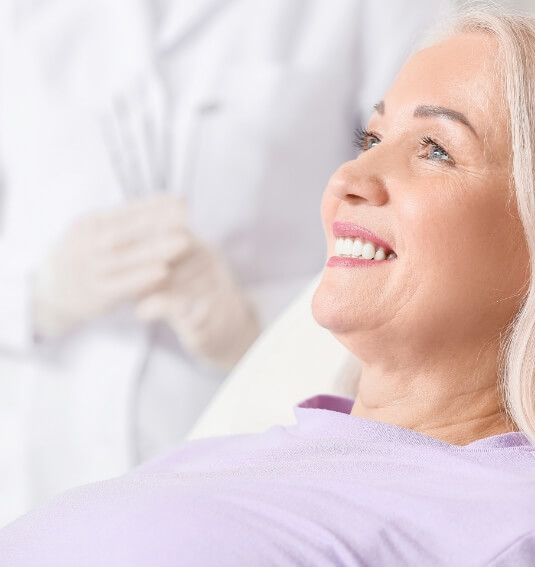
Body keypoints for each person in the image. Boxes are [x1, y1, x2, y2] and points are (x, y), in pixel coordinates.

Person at [1, 5, 535, 565]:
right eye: (370, 137)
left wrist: (244, 323)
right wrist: (36, 297)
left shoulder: (498, 526)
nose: (346, 177)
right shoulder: (217, 461)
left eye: (435, 149)